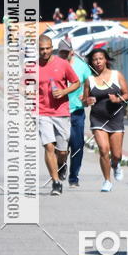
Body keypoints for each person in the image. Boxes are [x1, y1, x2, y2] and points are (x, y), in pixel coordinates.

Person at [37, 35, 80, 195]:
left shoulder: (62, 64)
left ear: (52, 47)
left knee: (62, 151)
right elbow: (24, 85)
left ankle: (62, 165)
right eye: (42, 49)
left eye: (47, 48)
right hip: (42, 112)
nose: (45, 51)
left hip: (61, 112)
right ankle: (55, 182)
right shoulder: (33, 66)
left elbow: (76, 82)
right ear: (38, 49)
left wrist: (63, 91)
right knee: (49, 146)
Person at [82, 47, 128, 192]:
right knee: (103, 150)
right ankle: (107, 180)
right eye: (95, 59)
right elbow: (84, 100)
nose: (98, 62)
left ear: (106, 60)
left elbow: (127, 94)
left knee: (117, 154)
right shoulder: (89, 80)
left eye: (100, 59)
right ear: (91, 62)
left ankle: (116, 165)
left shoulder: (116, 75)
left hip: (116, 118)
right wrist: (87, 101)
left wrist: (117, 99)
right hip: (98, 119)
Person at [57, 38, 92, 187]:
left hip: (77, 111)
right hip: (58, 112)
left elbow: (90, 82)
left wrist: (86, 94)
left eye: (66, 52)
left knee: (77, 145)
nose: (64, 55)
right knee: (61, 146)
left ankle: (73, 178)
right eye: (62, 52)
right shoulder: (55, 66)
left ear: (72, 52)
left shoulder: (82, 66)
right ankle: (61, 166)